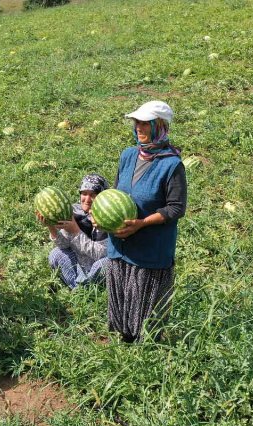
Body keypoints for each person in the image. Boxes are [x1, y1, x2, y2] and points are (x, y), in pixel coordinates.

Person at [105, 100, 187, 343]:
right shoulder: (128, 155)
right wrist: (101, 218)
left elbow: (176, 208)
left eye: (145, 123)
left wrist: (141, 223)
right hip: (119, 248)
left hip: (150, 252)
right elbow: (116, 193)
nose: (139, 127)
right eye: (137, 122)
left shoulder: (172, 164)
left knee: (145, 322)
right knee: (122, 314)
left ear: (159, 125)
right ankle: (123, 350)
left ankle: (148, 355)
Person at [38, 174, 110, 289]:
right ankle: (80, 288)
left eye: (93, 195)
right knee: (56, 253)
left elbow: (101, 254)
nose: (87, 199)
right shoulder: (73, 212)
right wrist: (51, 227)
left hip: (96, 269)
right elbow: (64, 245)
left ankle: (81, 289)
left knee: (107, 263)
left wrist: (76, 231)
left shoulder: (108, 218)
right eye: (84, 193)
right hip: (78, 266)